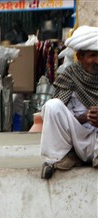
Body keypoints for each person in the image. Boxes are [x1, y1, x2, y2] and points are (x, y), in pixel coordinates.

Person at [40, 25, 98, 179]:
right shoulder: (70, 76)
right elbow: (58, 119)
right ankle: (59, 157)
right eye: (93, 55)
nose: (97, 61)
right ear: (80, 57)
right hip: (77, 140)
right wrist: (84, 117)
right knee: (52, 106)